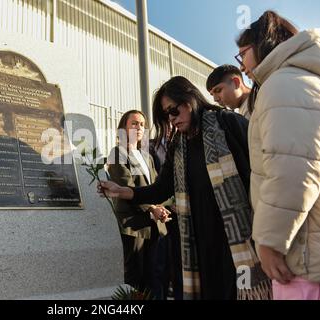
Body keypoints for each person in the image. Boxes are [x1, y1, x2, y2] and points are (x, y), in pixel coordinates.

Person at [99, 76, 272, 300]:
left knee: (243, 290)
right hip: (200, 244)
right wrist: (123, 191)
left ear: (189, 99)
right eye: (166, 115)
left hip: (239, 240)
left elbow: (262, 173)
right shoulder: (178, 146)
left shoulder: (229, 123)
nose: (171, 120)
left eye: (173, 111)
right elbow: (161, 189)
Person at [236, 10, 320, 300]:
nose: (242, 65)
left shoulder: (283, 84)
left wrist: (269, 241)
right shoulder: (304, 78)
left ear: (263, 44)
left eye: (242, 54)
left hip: (301, 255)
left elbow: (292, 171)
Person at [106, 110, 171, 299]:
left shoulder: (147, 156)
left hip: (154, 226)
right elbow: (126, 187)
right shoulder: (117, 153)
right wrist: (153, 208)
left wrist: (165, 207)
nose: (139, 127)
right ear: (123, 128)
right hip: (133, 226)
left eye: (142, 124)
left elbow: (157, 187)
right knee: (135, 281)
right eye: (134, 123)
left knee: (154, 279)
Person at [149, 102, 183, 300]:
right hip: (164, 215)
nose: (171, 124)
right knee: (162, 266)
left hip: (186, 214)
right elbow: (157, 183)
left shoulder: (186, 141)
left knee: (180, 268)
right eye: (166, 120)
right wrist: (168, 205)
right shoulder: (150, 147)